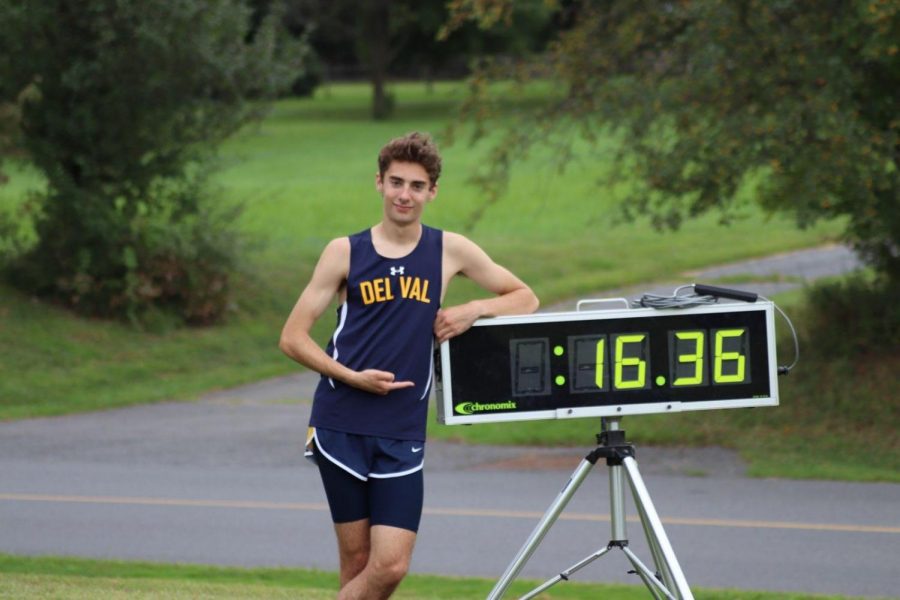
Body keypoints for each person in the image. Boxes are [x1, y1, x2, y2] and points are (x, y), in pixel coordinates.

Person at [279, 131, 539, 599]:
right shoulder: (345, 251)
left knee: (391, 566)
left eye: (417, 185)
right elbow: (292, 337)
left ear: (432, 192)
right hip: (340, 421)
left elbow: (526, 297)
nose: (405, 194)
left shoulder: (449, 250)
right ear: (379, 183)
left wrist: (472, 309)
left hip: (402, 428)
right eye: (396, 182)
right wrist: (350, 376)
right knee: (357, 562)